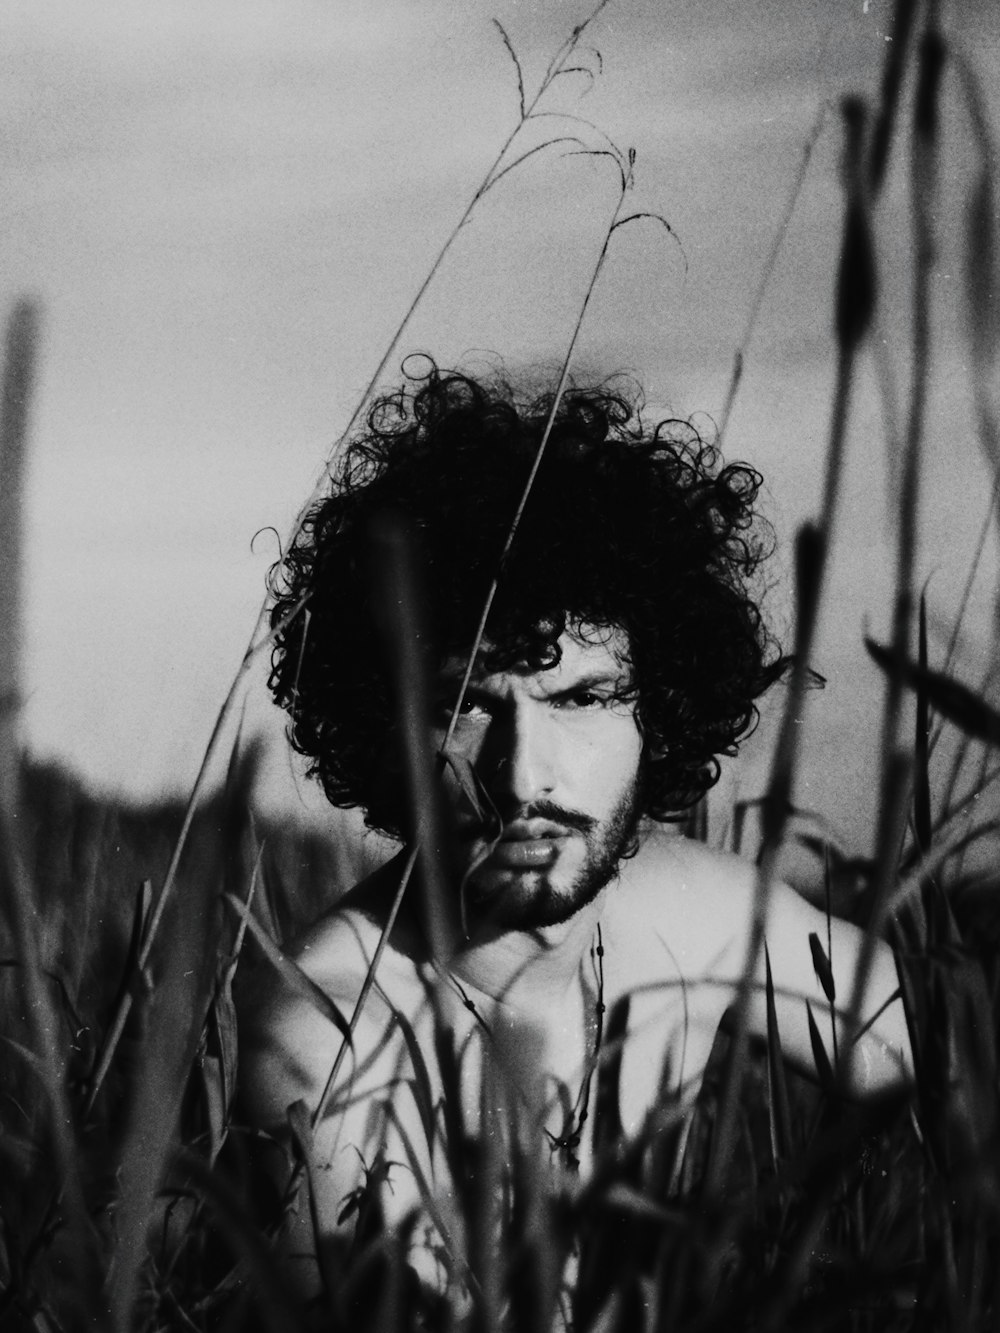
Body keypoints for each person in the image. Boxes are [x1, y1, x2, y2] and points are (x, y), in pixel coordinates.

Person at [237, 363, 910, 1311]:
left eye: (583, 698)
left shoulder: (699, 914)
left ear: (660, 715)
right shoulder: (324, 1047)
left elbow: (929, 1061)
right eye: (466, 706)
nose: (521, 777)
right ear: (386, 727)